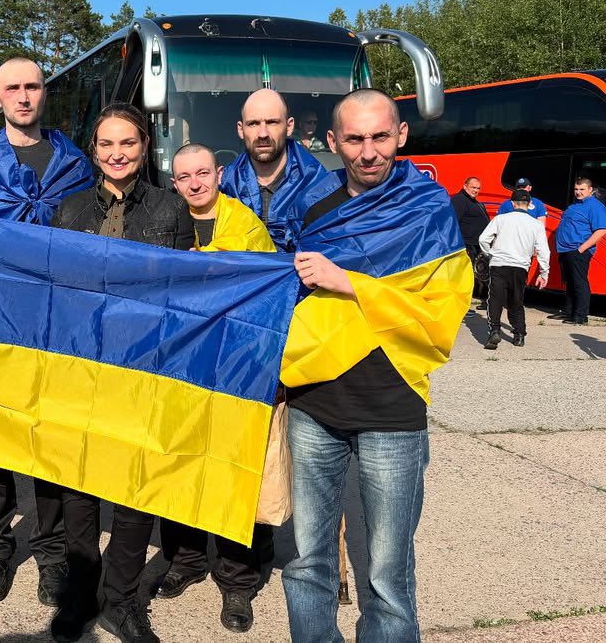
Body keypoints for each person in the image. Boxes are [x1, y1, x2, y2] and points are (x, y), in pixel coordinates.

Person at [280, 89, 471, 643]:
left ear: (401, 135)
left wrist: (349, 282)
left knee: (388, 575)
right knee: (306, 563)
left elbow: (443, 311)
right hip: (313, 404)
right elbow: (288, 296)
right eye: (355, 139)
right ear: (333, 141)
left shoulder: (429, 209)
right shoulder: (312, 211)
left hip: (392, 407)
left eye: (380, 137)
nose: (369, 152)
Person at [0, 57, 93, 606]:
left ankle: (52, 554)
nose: (23, 96)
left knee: (51, 442)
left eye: (32, 86)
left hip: (58, 325)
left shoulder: (77, 165)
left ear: (44, 93)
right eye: (13, 88)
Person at [49, 103, 193, 643]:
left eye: (128, 143)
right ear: (93, 150)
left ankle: (122, 598)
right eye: (107, 144)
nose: (117, 154)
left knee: (137, 486)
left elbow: (187, 289)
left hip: (145, 366)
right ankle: (81, 591)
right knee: (78, 483)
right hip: (82, 364)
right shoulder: (68, 211)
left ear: (144, 146)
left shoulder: (171, 209)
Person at [160, 142, 275, 633]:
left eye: (203, 173)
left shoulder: (247, 226)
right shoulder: (165, 223)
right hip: (181, 364)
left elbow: (269, 294)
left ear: (220, 174)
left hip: (235, 365)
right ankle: (186, 560)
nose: (195, 183)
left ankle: (238, 579)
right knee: (179, 463)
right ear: (174, 183)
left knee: (235, 471)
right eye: (185, 176)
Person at [221, 89, 338, 250]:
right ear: (241, 130)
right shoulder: (223, 186)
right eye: (253, 123)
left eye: (272, 122)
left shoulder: (319, 186)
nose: (263, 134)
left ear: (289, 126)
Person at [478, 190, 550, 349]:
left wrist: (490, 254)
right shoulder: (536, 225)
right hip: (520, 267)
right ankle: (519, 335)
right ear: (529, 204)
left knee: (495, 299)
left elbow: (483, 239)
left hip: (499, 264)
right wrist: (544, 273)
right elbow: (544, 251)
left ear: (512, 203)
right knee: (516, 300)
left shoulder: (500, 219)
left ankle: (494, 330)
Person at [554, 176, 606, 325]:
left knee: (579, 282)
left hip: (578, 250)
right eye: (576, 189)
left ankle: (581, 316)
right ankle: (569, 311)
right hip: (566, 249)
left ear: (590, 190)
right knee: (570, 281)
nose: (578, 192)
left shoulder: (595, 206)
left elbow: (601, 230)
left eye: (582, 189)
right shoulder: (575, 205)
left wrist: (581, 248)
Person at [451, 176, 491, 309]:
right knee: (463, 277)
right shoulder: (459, 200)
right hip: (466, 245)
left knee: (470, 278)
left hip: (475, 246)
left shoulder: (474, 202)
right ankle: (459, 306)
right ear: (465, 186)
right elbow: (453, 222)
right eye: (473, 187)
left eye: (478, 188)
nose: (476, 190)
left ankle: (463, 305)